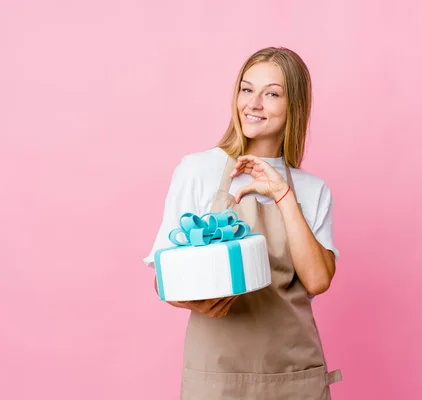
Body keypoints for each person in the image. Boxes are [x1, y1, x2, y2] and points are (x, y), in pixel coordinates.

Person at [144, 46, 341, 399]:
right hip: (217, 373)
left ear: (294, 105)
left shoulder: (312, 190)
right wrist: (194, 301)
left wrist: (282, 194)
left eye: (272, 94)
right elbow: (163, 275)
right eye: (247, 89)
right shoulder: (198, 170)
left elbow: (317, 279)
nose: (254, 103)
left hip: (293, 374)